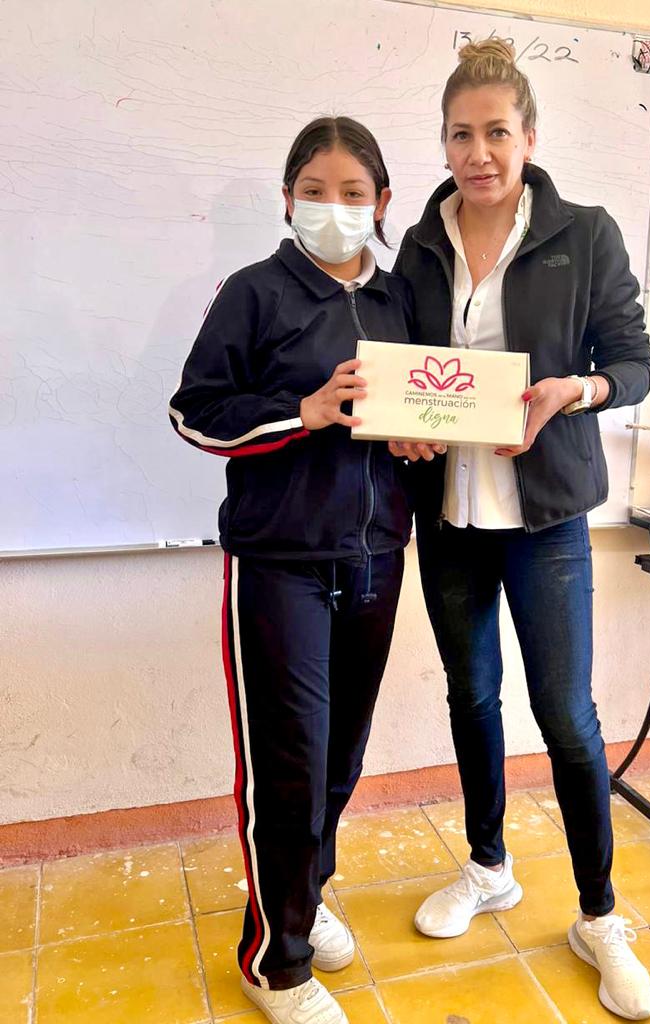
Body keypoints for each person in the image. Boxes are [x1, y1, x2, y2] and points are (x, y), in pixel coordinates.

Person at [391, 40, 650, 1021]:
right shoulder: (418, 244)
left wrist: (573, 391)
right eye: (461, 134)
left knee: (566, 717)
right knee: (471, 696)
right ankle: (488, 864)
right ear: (444, 142)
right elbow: (399, 364)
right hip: (451, 517)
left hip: (545, 520)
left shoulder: (584, 234)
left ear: (529, 138)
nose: (479, 152)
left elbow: (632, 363)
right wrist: (400, 423)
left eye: (497, 132)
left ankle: (599, 913)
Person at [169, 116, 415, 1024]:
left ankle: (301, 899)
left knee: (340, 758)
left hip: (376, 557)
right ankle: (275, 963)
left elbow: (416, 412)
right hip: (280, 564)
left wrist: (419, 438)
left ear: (381, 203)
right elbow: (194, 413)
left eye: (353, 193)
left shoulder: (398, 302)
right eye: (315, 190)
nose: (334, 208)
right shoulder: (254, 292)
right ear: (287, 198)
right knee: (288, 766)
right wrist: (302, 412)